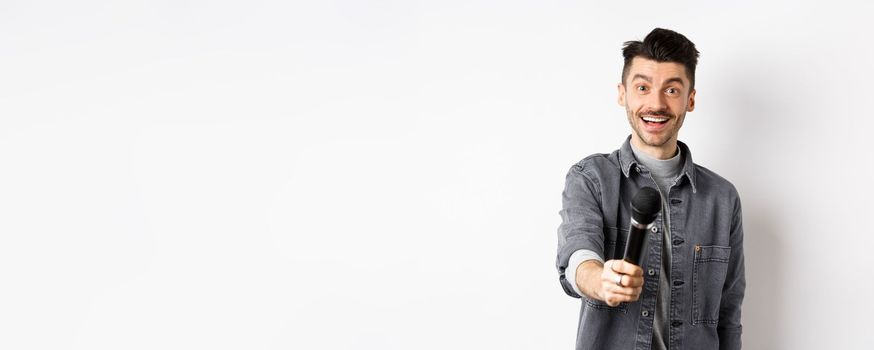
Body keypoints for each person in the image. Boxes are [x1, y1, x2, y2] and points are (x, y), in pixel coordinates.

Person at [555, 28, 745, 350]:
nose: (655, 103)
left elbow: (728, 315)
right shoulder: (590, 178)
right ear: (622, 94)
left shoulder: (723, 199)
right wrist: (600, 280)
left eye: (671, 90)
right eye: (642, 87)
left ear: (691, 99)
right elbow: (577, 256)